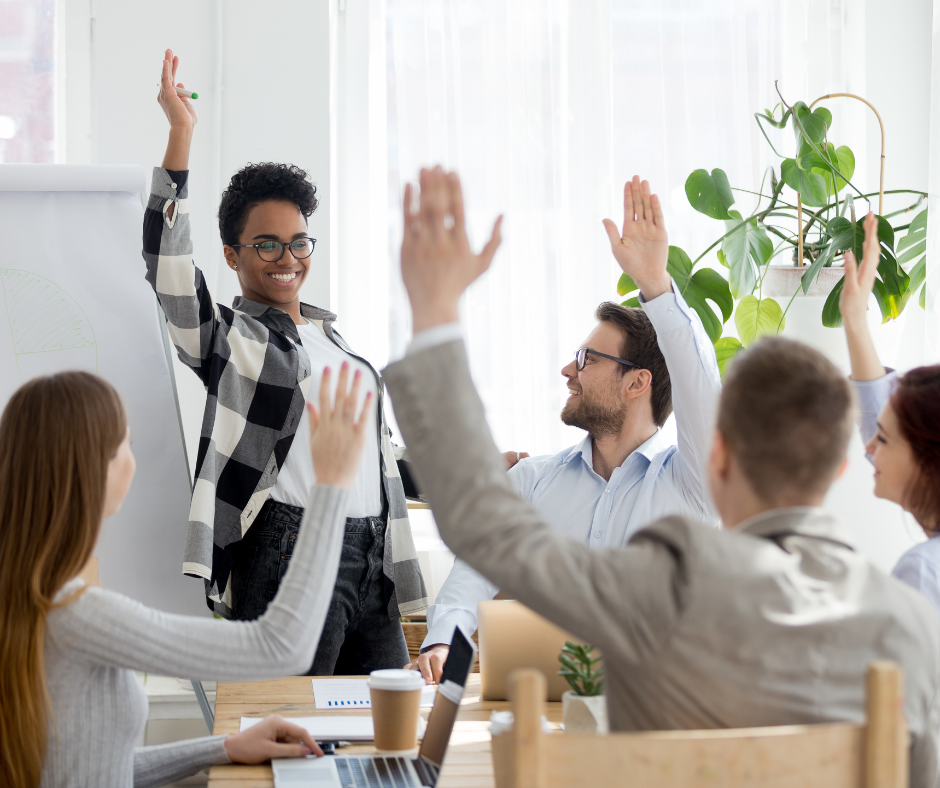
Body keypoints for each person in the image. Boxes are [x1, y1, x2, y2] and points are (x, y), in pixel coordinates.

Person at [383, 167, 940, 786]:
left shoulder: (660, 589)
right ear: (842, 466)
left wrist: (434, 315)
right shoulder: (910, 623)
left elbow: (484, 529)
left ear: (718, 455)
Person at [142, 50, 426, 676]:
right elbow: (166, 267)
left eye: (298, 241)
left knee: (385, 733)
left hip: (373, 553)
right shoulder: (231, 339)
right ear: (231, 255)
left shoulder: (337, 342)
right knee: (291, 738)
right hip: (289, 547)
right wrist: (181, 133)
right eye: (265, 243)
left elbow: (372, 459)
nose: (286, 256)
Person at [409, 175, 721, 682]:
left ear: (636, 383)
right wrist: (446, 640)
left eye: (586, 358)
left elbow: (703, 396)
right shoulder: (532, 482)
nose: (567, 370)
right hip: (541, 717)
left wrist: (656, 287)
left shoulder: (689, 485)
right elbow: (473, 571)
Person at [0, 365, 370, 788]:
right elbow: (282, 646)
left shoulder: (28, 599)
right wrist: (333, 486)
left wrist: (223, 748)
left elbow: (95, 767)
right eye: (127, 444)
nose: (133, 461)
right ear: (92, 469)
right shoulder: (76, 614)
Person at [840, 211, 940, 614]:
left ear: (927, 458)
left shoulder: (922, 571)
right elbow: (883, 414)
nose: (867, 446)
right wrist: (854, 320)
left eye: (882, 439)